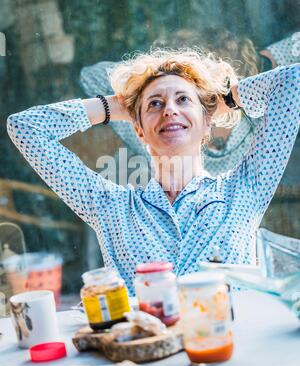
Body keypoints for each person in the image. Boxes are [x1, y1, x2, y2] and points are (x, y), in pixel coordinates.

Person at [7, 49, 300, 295]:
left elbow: (293, 82)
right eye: (155, 104)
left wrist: (224, 99)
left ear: (207, 122)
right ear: (139, 131)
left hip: (230, 357)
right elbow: (26, 128)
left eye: (183, 100)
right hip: (143, 362)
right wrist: (114, 107)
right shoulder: (110, 207)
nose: (169, 110)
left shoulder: (245, 190)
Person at [80, 29, 300, 176]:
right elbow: (90, 76)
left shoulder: (255, 137)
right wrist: (140, 93)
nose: (171, 111)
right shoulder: (149, 120)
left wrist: (238, 92)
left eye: (184, 97)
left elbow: (292, 73)